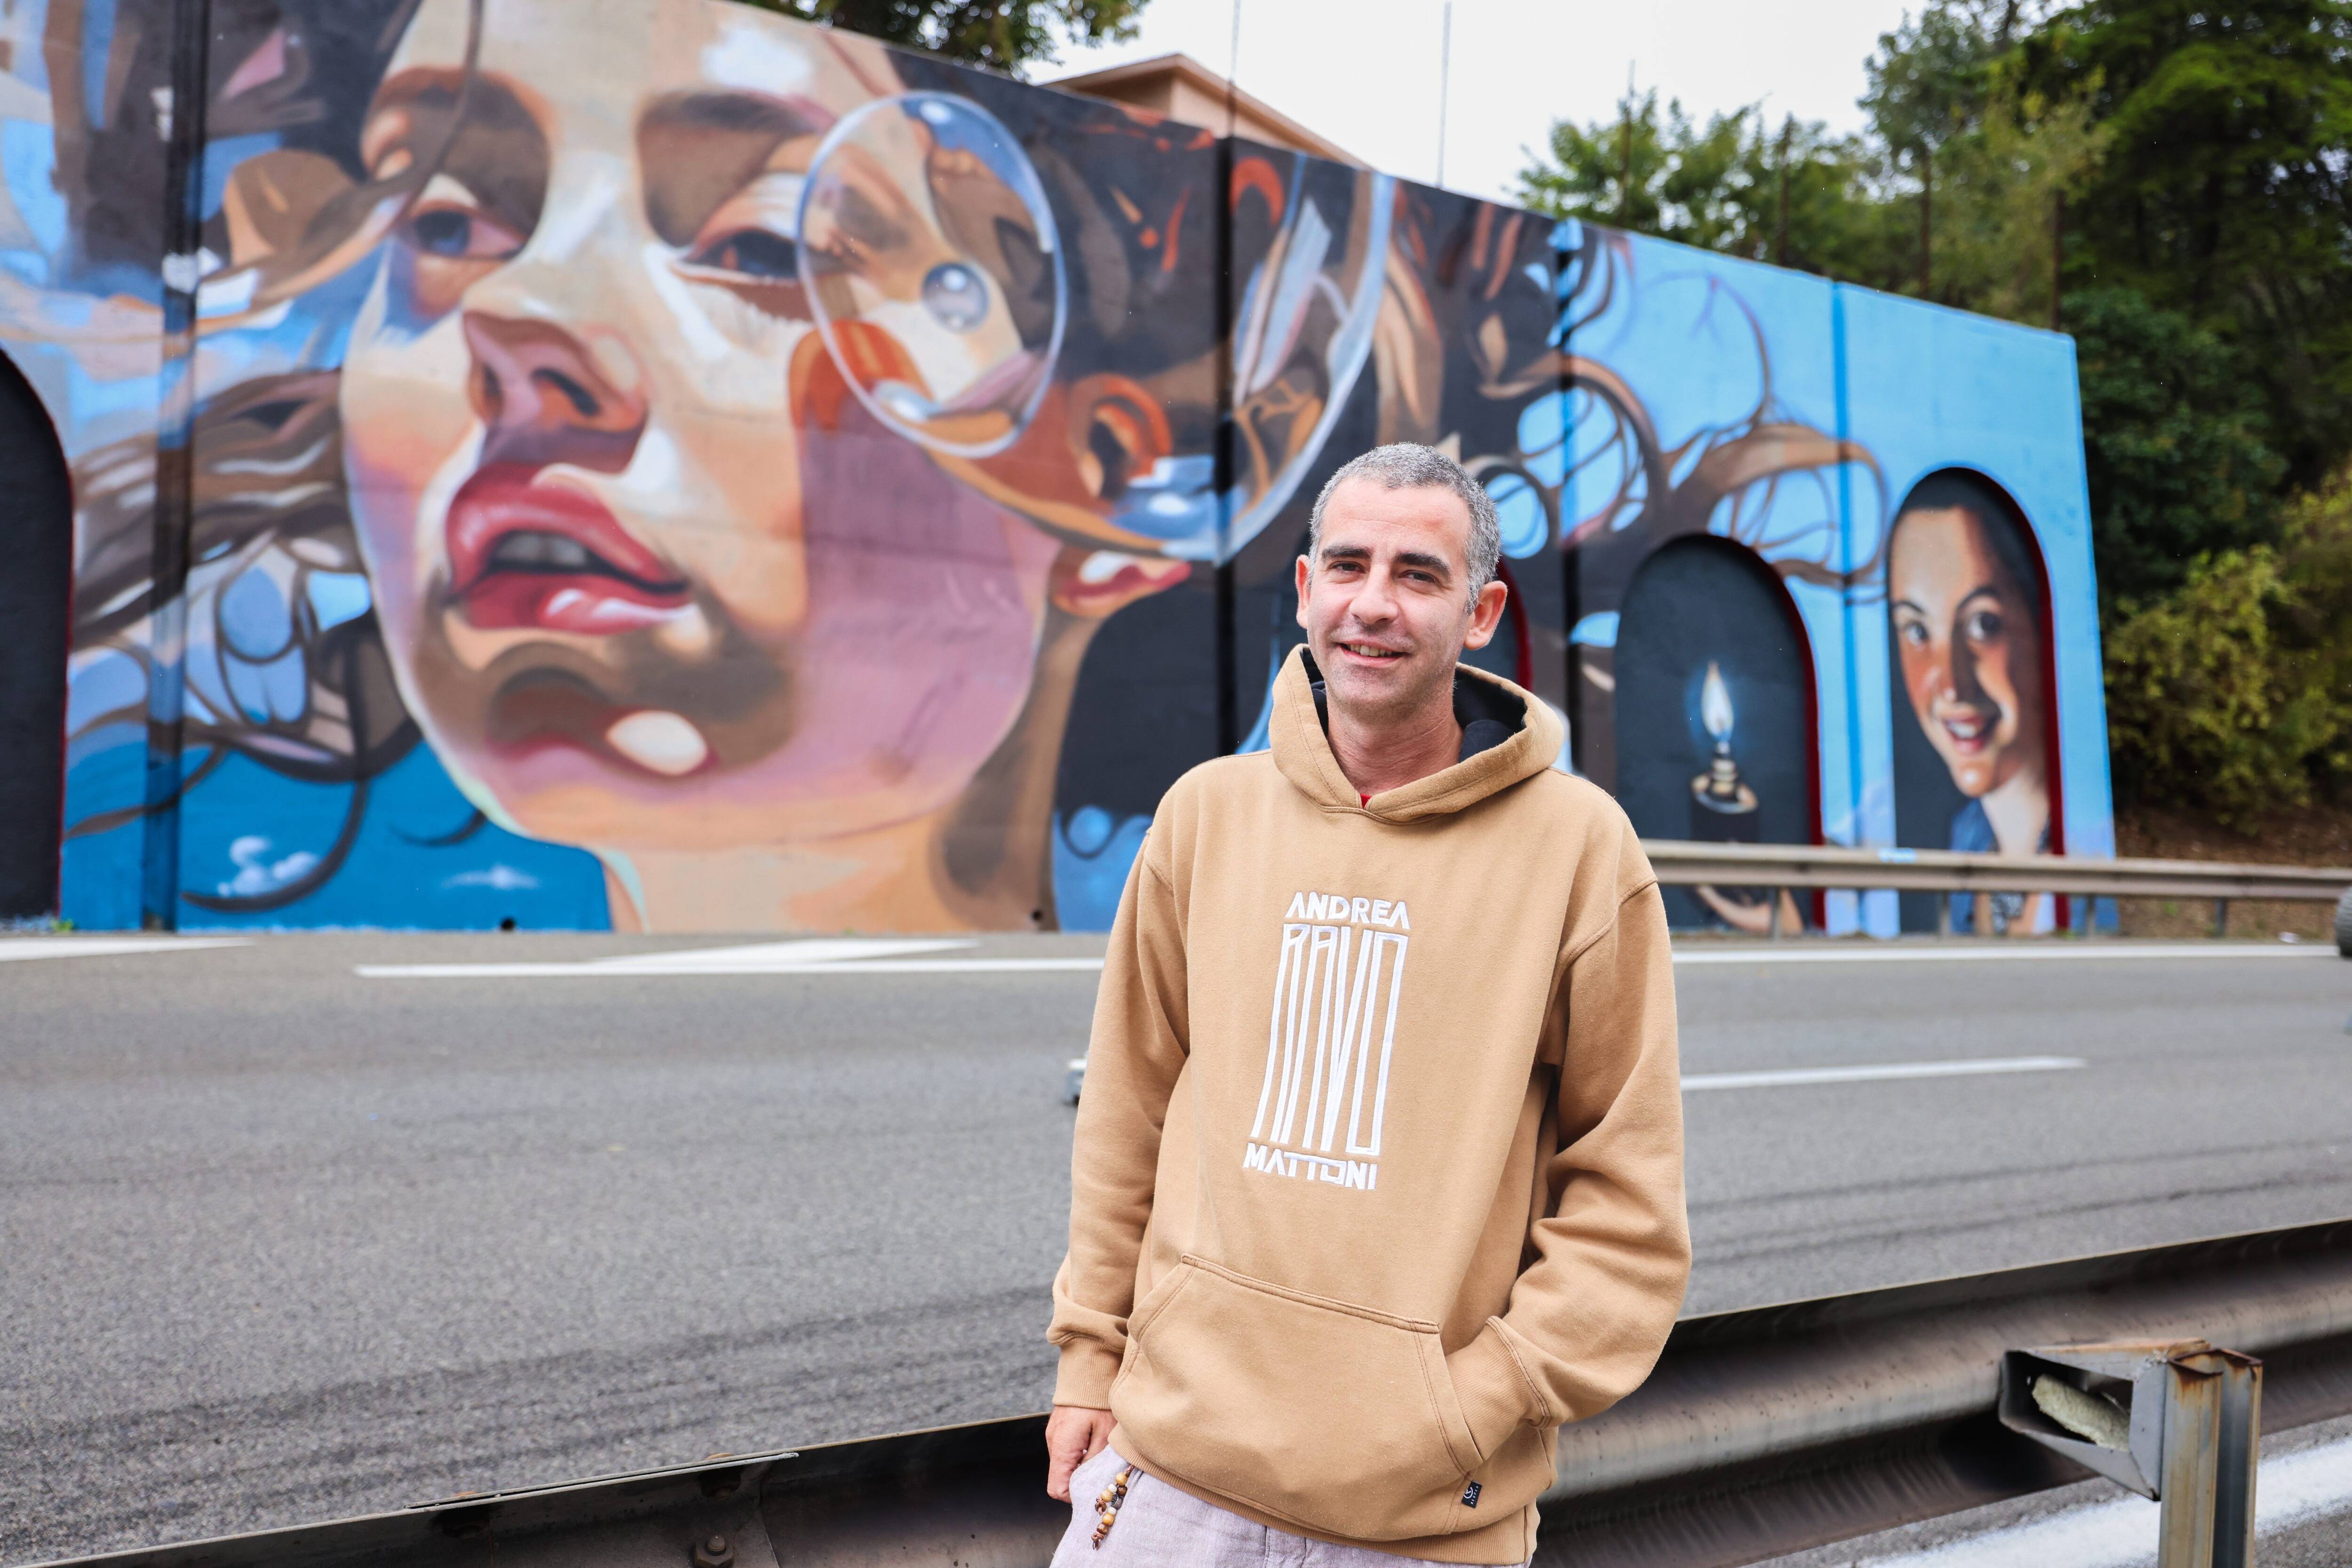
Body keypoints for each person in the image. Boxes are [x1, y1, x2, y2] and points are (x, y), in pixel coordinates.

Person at [1043, 443, 1691, 1565]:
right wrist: (1089, 1361)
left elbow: (1628, 1205)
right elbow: (1126, 1120)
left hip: (1423, 1522)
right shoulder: (1205, 817)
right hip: (1166, 1485)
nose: (1372, 605)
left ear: (1481, 613)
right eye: (1346, 566)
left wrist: (1469, 1406)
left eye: (1419, 575)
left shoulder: (1578, 851)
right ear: (1303, 592)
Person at [1886, 477, 2051, 931]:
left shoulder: (2075, 842)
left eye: (1983, 624)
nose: (1952, 688)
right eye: (1917, 631)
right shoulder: (1970, 837)